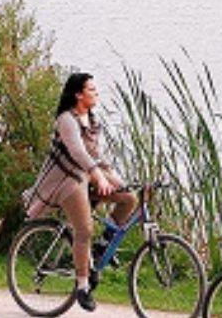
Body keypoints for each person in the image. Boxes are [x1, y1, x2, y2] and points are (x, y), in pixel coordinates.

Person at [22, 73, 139, 313]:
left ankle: (101, 248)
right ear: (78, 94)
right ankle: (82, 286)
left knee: (129, 198)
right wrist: (97, 176)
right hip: (66, 180)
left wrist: (117, 180)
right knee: (84, 229)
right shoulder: (67, 119)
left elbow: (96, 156)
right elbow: (77, 152)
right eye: (92, 89)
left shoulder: (92, 120)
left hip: (85, 176)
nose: (96, 93)